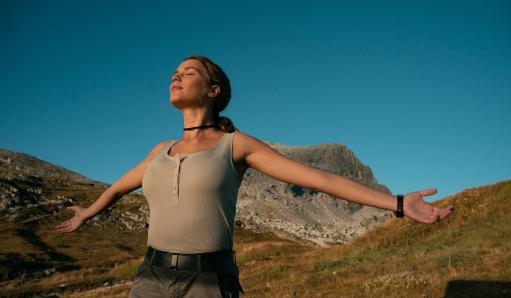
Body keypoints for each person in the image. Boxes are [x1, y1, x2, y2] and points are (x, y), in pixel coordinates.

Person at [56, 55, 454, 297]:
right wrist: (85, 214)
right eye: (174, 72)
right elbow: (120, 187)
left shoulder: (236, 145)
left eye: (188, 72)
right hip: (150, 279)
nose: (175, 76)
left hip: (209, 285)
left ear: (212, 91)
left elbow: (318, 179)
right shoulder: (159, 151)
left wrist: (399, 203)